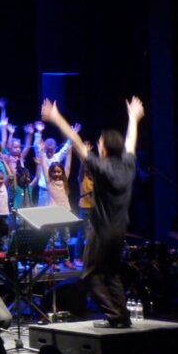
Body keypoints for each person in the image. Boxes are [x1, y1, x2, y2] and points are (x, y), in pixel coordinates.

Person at [41, 96, 144, 328]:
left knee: (90, 276)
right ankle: (122, 317)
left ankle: (114, 315)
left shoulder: (101, 167)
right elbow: (131, 142)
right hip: (120, 231)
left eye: (100, 143)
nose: (98, 145)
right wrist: (133, 118)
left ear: (104, 148)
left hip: (101, 232)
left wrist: (56, 117)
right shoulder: (128, 166)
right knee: (111, 274)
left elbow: (76, 142)